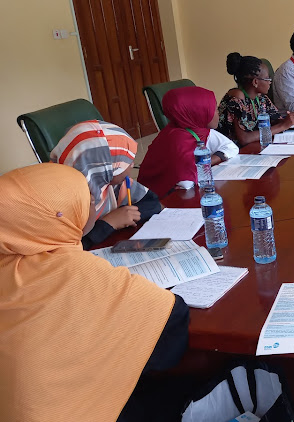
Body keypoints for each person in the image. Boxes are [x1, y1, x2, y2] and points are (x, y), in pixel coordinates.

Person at [0, 163, 189, 421]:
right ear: (60, 215)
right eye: (86, 200)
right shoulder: (76, 271)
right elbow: (170, 328)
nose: (94, 205)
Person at [50, 119, 161, 250]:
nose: (132, 165)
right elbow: (71, 247)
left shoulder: (109, 183)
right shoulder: (62, 202)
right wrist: (110, 223)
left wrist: (128, 215)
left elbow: (153, 203)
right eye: (125, 161)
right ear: (105, 167)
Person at [138, 85, 239, 197]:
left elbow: (232, 147)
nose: (218, 113)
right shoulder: (177, 139)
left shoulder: (199, 130)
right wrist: (204, 165)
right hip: (158, 201)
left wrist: (207, 162)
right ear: (198, 112)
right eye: (214, 109)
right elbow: (186, 183)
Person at [218, 53, 294, 146]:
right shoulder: (236, 98)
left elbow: (276, 121)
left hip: (255, 148)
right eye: (267, 79)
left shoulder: (261, 98)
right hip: (233, 153)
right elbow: (244, 139)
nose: (270, 82)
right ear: (255, 82)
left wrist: (293, 119)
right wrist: (282, 126)